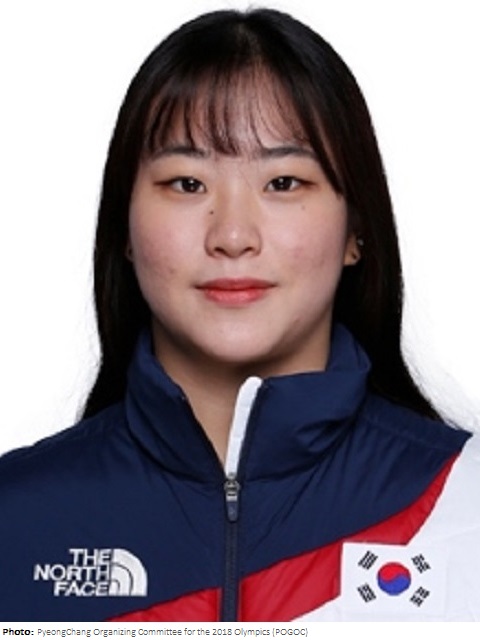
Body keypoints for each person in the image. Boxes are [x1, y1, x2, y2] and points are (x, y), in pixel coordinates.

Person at [0, 7, 479, 623]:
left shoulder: (463, 505)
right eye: (187, 183)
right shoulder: (15, 519)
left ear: (356, 231)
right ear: (124, 228)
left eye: (283, 182)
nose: (231, 236)